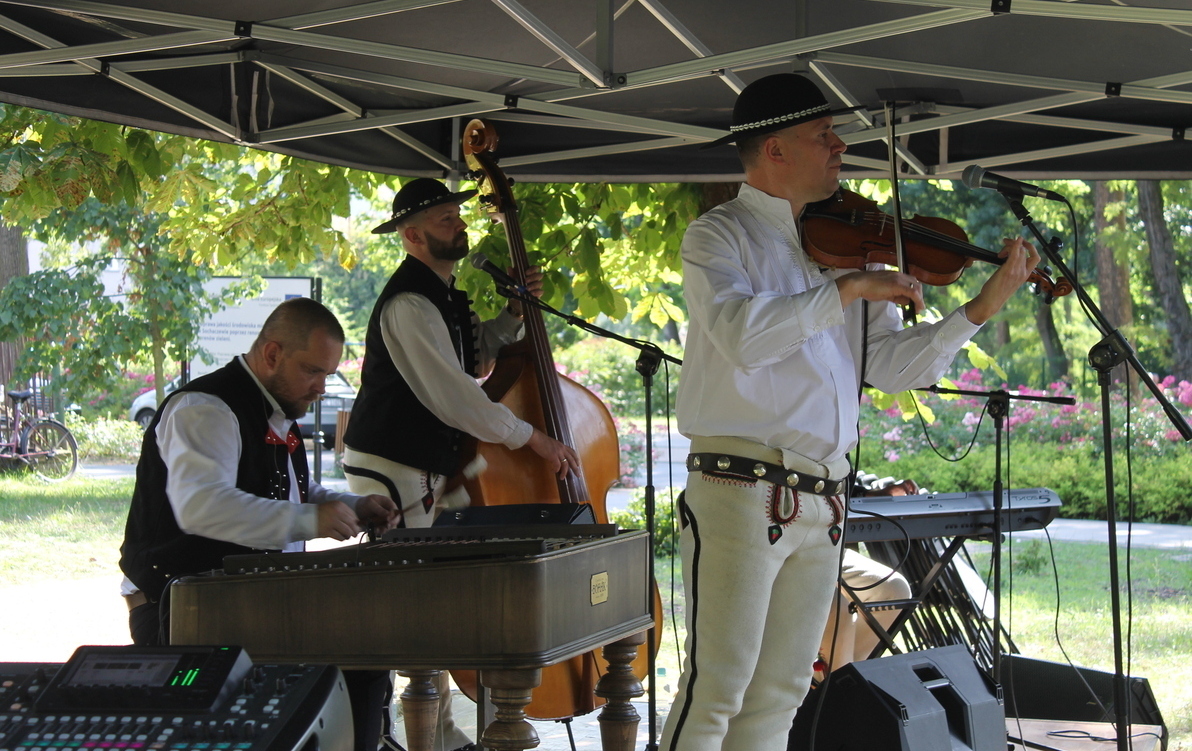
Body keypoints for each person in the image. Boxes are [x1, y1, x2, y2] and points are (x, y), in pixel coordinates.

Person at [662, 73, 1041, 751]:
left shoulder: (846, 247)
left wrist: (980, 308)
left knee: (780, 692)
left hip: (823, 499)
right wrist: (845, 289)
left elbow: (889, 366)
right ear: (775, 150)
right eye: (824, 135)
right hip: (740, 490)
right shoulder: (719, 237)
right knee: (717, 686)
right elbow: (742, 336)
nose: (840, 147)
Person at [340, 177, 580, 751]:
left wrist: (518, 312)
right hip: (394, 461)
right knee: (426, 603)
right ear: (411, 235)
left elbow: (477, 357)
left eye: (457, 215)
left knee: (439, 598)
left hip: (423, 460)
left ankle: (443, 734)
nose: (459, 224)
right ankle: (431, 736)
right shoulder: (408, 302)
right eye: (446, 218)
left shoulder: (445, 294)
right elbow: (455, 394)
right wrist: (533, 440)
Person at [118, 297, 400, 751]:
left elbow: (285, 491)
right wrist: (313, 519)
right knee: (353, 665)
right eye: (313, 371)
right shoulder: (205, 409)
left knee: (367, 654)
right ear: (272, 354)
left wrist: (351, 503)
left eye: (327, 375)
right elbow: (203, 507)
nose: (322, 389)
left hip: (246, 603)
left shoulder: (273, 408)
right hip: (183, 610)